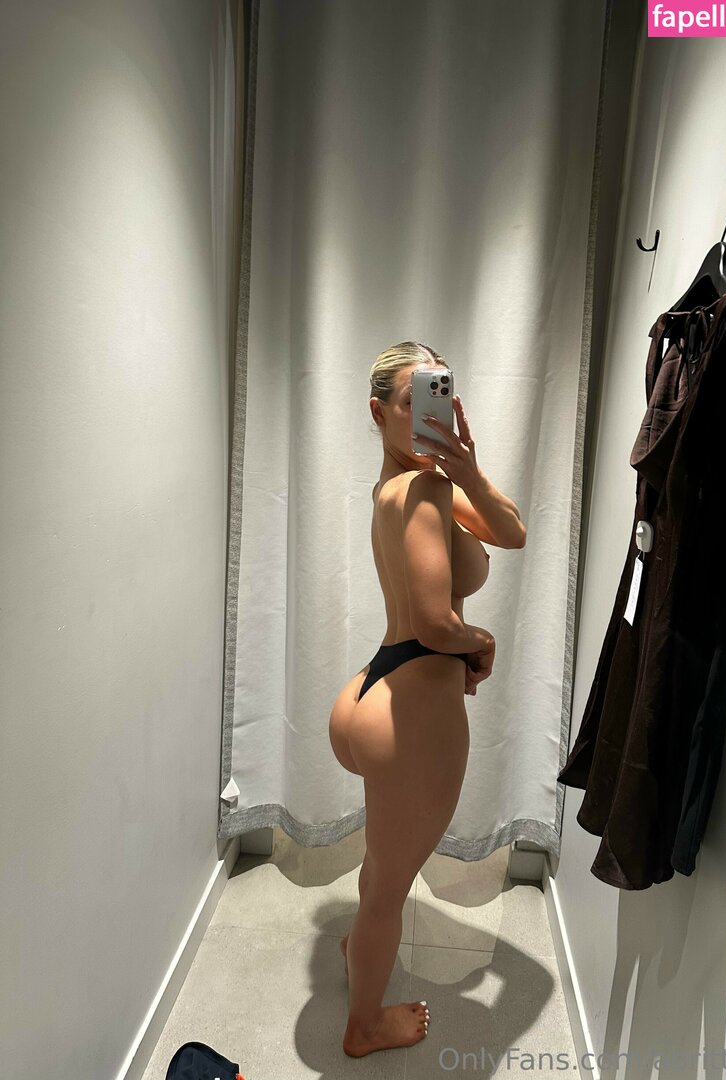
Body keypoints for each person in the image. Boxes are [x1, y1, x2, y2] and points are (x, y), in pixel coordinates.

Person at [328, 341, 518, 1057]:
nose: (426, 415)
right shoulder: (425, 493)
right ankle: (363, 1025)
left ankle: (360, 945)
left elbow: (512, 531)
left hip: (376, 686)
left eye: (438, 395)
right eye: (413, 402)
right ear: (379, 413)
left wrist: (467, 467)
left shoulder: (406, 487)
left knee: (382, 864)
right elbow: (438, 623)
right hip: (415, 707)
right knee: (390, 886)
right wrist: (480, 640)